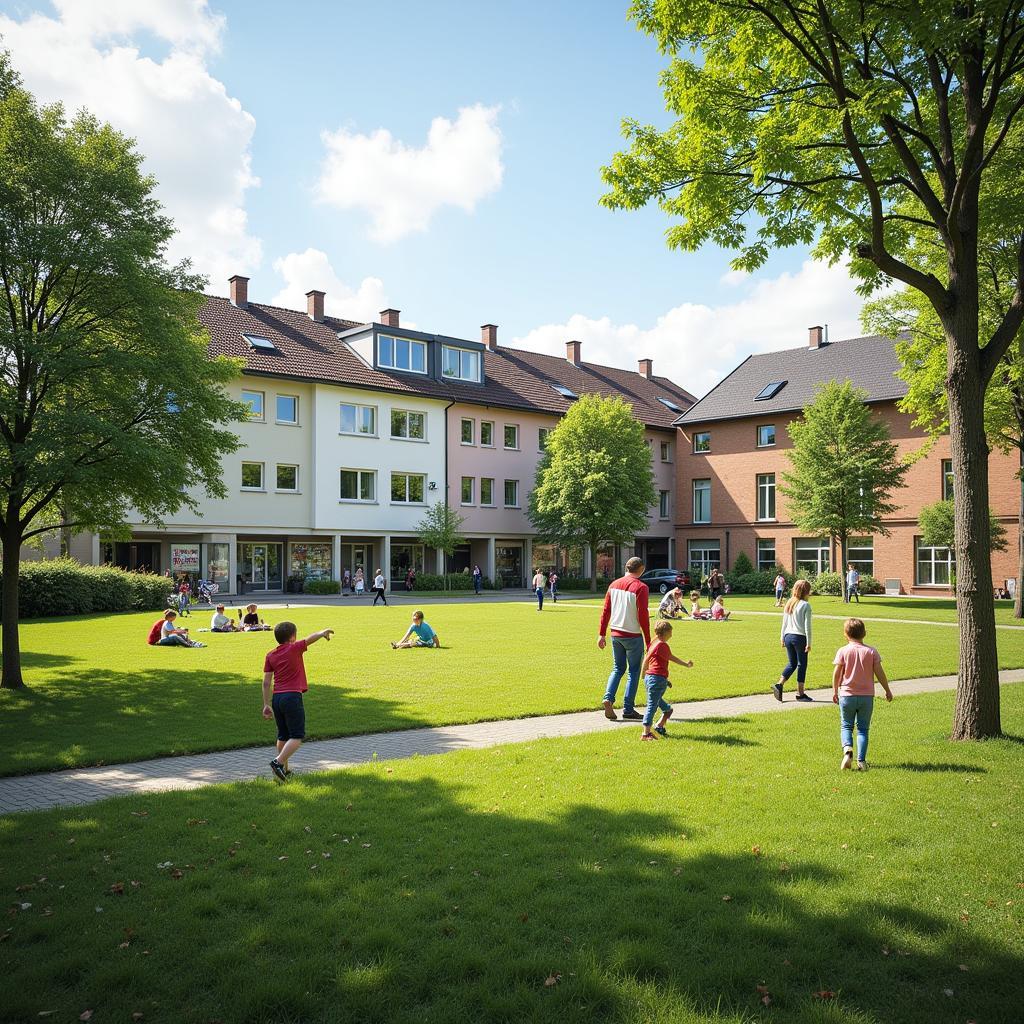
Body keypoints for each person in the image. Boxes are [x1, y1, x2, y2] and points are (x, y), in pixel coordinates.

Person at [261, 621, 334, 781]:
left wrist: (266, 704)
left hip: (277, 698)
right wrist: (322, 632)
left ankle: (283, 772)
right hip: (292, 697)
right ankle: (278, 763)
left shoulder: (271, 655)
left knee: (283, 736)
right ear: (293, 636)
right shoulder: (294, 648)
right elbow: (309, 639)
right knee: (297, 736)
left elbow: (266, 682)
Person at [832, 617, 893, 771]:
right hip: (866, 697)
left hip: (847, 695)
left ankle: (847, 750)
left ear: (845, 634)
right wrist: (887, 690)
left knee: (846, 725)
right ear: (864, 633)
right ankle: (861, 761)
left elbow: (837, 673)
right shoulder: (871, 651)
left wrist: (834, 691)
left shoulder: (843, 651)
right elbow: (880, 673)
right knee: (863, 729)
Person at [598, 556, 651, 721]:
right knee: (634, 671)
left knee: (617, 668)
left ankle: (608, 697)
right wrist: (649, 640)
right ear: (641, 569)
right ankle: (628, 708)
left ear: (627, 568)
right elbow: (643, 615)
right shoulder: (641, 587)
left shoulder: (614, 585)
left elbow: (606, 610)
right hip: (633, 634)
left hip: (616, 633)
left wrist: (601, 634)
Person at [638, 619, 693, 740]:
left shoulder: (654, 642)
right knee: (652, 706)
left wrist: (663, 680)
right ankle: (645, 733)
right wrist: (686, 664)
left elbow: (654, 662)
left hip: (652, 678)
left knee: (666, 709)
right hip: (656, 679)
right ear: (666, 632)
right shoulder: (662, 645)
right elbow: (671, 658)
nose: (671, 635)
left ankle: (660, 724)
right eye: (670, 632)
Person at [772, 579, 813, 702]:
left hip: (788, 636)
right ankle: (800, 693)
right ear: (806, 591)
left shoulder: (790, 602)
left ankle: (779, 684)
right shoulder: (805, 605)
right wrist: (809, 643)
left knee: (792, 663)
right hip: (800, 637)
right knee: (802, 664)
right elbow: (807, 626)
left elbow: (784, 622)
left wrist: (781, 637)